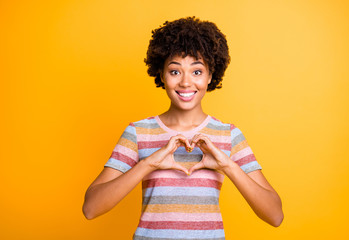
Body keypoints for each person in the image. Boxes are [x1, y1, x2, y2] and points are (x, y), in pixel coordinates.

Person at [82, 16, 284, 239]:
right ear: (162, 74)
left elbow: (275, 216)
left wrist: (227, 165)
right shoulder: (138, 132)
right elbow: (91, 208)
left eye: (197, 71)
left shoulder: (229, 135)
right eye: (175, 71)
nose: (186, 82)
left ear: (210, 76)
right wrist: (149, 163)